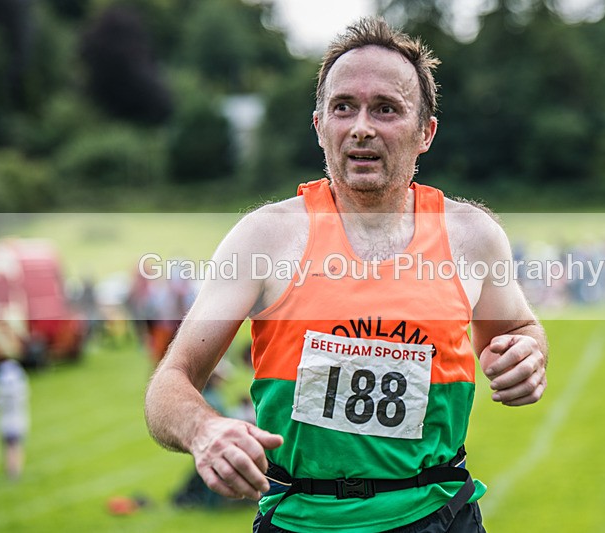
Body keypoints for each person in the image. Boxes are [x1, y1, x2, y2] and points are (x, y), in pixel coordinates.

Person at [145, 17, 548, 532]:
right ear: (319, 126)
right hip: (300, 519)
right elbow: (169, 382)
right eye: (343, 107)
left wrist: (527, 354)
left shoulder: (472, 236)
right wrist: (203, 430)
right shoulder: (265, 238)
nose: (361, 127)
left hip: (438, 515)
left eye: (385, 109)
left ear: (425, 132)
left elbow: (518, 331)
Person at [0, 359, 30, 480]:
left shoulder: (0, 390)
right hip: (19, 421)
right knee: (17, 447)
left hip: (5, 423)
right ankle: (16, 472)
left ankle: (11, 472)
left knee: (8, 448)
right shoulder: (22, 386)